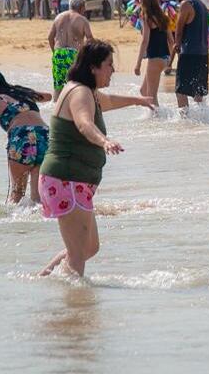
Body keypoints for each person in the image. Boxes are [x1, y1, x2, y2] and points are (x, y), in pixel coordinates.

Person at [39, 40, 154, 277]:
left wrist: (137, 100)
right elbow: (84, 123)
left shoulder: (86, 91)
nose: (113, 70)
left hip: (73, 180)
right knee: (78, 252)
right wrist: (104, 141)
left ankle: (46, 278)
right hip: (66, 178)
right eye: (109, 64)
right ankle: (76, 309)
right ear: (93, 67)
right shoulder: (80, 92)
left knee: (89, 247)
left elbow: (109, 101)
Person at [0, 68, 53, 204]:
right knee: (38, 196)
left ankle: (16, 224)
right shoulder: (22, 93)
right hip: (44, 135)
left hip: (22, 137)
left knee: (17, 193)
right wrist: (23, 91)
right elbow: (48, 96)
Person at [171, 0, 209, 111]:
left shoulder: (186, 4)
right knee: (198, 91)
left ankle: (184, 121)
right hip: (203, 53)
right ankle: (203, 118)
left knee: (180, 90)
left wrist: (176, 45)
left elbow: (179, 29)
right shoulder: (202, 5)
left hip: (189, 53)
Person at [131, 0, 171, 101]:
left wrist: (138, 64)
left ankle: (158, 118)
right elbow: (171, 40)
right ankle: (155, 117)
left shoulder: (146, 17)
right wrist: (170, 61)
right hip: (165, 58)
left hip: (155, 58)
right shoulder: (164, 17)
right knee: (143, 91)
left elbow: (145, 41)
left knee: (151, 97)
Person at [48, 0, 92, 95]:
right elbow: (89, 39)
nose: (84, 10)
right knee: (78, 86)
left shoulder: (58, 17)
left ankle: (56, 107)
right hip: (74, 54)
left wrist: (55, 52)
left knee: (58, 88)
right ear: (81, 7)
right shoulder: (82, 20)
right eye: (84, 8)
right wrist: (84, 54)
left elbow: (50, 37)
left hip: (59, 53)